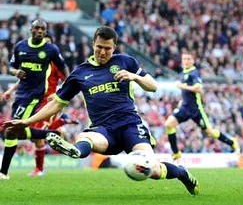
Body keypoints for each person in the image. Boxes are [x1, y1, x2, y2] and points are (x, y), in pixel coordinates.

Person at [2, 27, 199, 195]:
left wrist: (134, 77)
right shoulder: (81, 73)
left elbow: (153, 86)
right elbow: (57, 103)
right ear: (93, 44)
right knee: (84, 138)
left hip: (130, 125)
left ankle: (181, 173)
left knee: (152, 170)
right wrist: (27, 122)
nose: (102, 52)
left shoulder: (125, 62)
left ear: (114, 47)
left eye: (107, 48)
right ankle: (76, 151)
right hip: (103, 129)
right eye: (99, 47)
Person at [0, 19, 69, 180]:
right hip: (21, 95)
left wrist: (67, 88)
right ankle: (54, 133)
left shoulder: (50, 50)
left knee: (11, 130)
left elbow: (64, 67)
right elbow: (11, 67)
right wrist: (15, 73)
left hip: (36, 96)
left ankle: (4, 172)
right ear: (30, 29)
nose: (39, 31)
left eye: (42, 29)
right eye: (36, 28)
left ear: (45, 32)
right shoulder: (20, 47)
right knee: (18, 132)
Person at [164, 52, 239, 161]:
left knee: (210, 132)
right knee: (169, 124)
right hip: (185, 108)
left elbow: (198, 88)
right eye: (184, 59)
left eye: (188, 59)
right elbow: (186, 94)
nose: (186, 61)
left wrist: (182, 86)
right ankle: (176, 153)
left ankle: (232, 142)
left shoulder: (194, 73)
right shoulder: (182, 73)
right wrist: (182, 101)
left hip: (196, 110)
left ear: (193, 61)